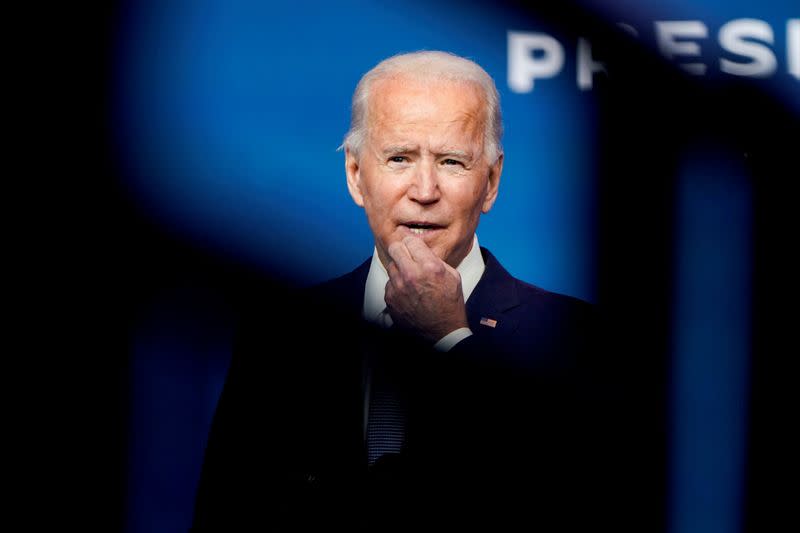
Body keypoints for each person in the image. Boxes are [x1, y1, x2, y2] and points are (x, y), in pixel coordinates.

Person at [191, 51, 632, 531]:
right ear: (356, 176)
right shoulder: (283, 332)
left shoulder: (575, 337)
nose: (424, 189)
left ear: (491, 181)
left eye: (451, 161)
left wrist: (448, 339)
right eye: (399, 158)